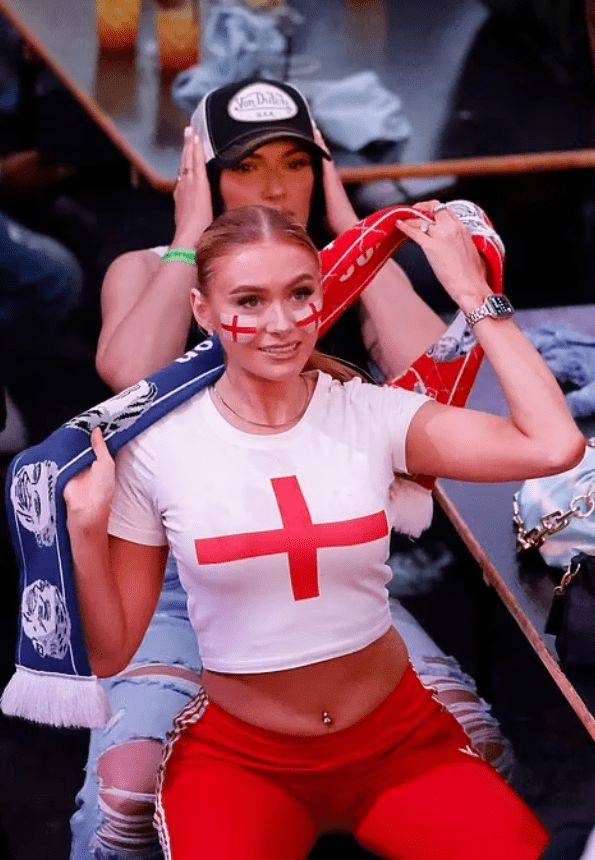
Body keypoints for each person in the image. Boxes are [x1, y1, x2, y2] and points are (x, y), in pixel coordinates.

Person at [71, 80, 512, 859]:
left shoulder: (336, 274)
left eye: (295, 164)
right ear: (203, 179)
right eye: (244, 167)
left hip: (321, 573)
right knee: (122, 801)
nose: (274, 187)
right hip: (171, 581)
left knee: (477, 742)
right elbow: (131, 375)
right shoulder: (146, 267)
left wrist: (354, 233)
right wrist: (192, 235)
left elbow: (436, 375)